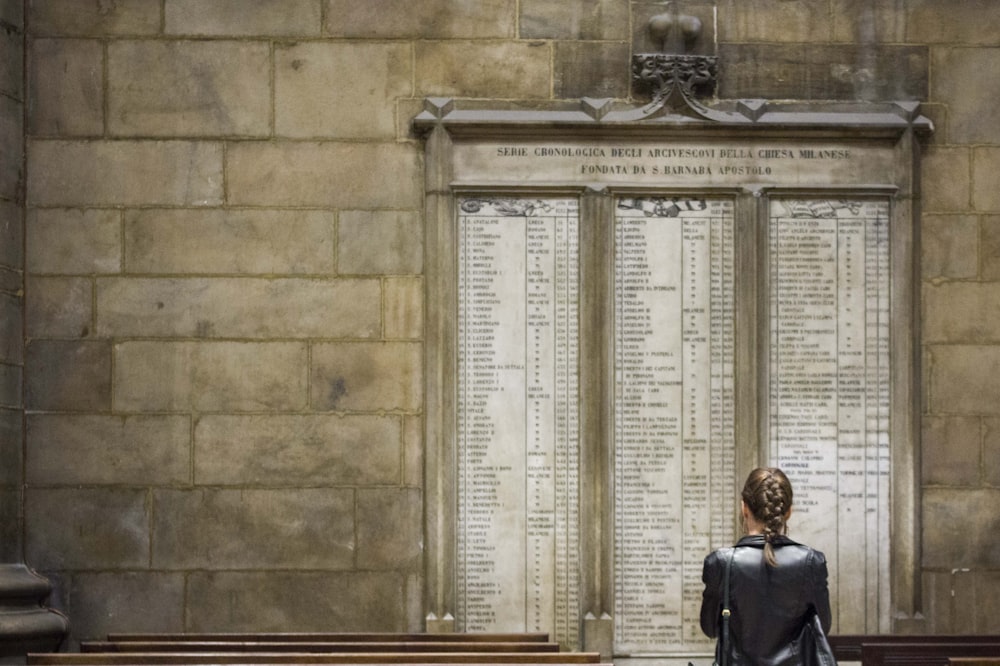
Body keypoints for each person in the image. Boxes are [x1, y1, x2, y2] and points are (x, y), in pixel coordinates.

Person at [699, 467, 832, 666]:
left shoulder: (720, 563)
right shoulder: (812, 562)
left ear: (744, 508)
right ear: (788, 512)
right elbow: (824, 626)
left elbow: (709, 628)